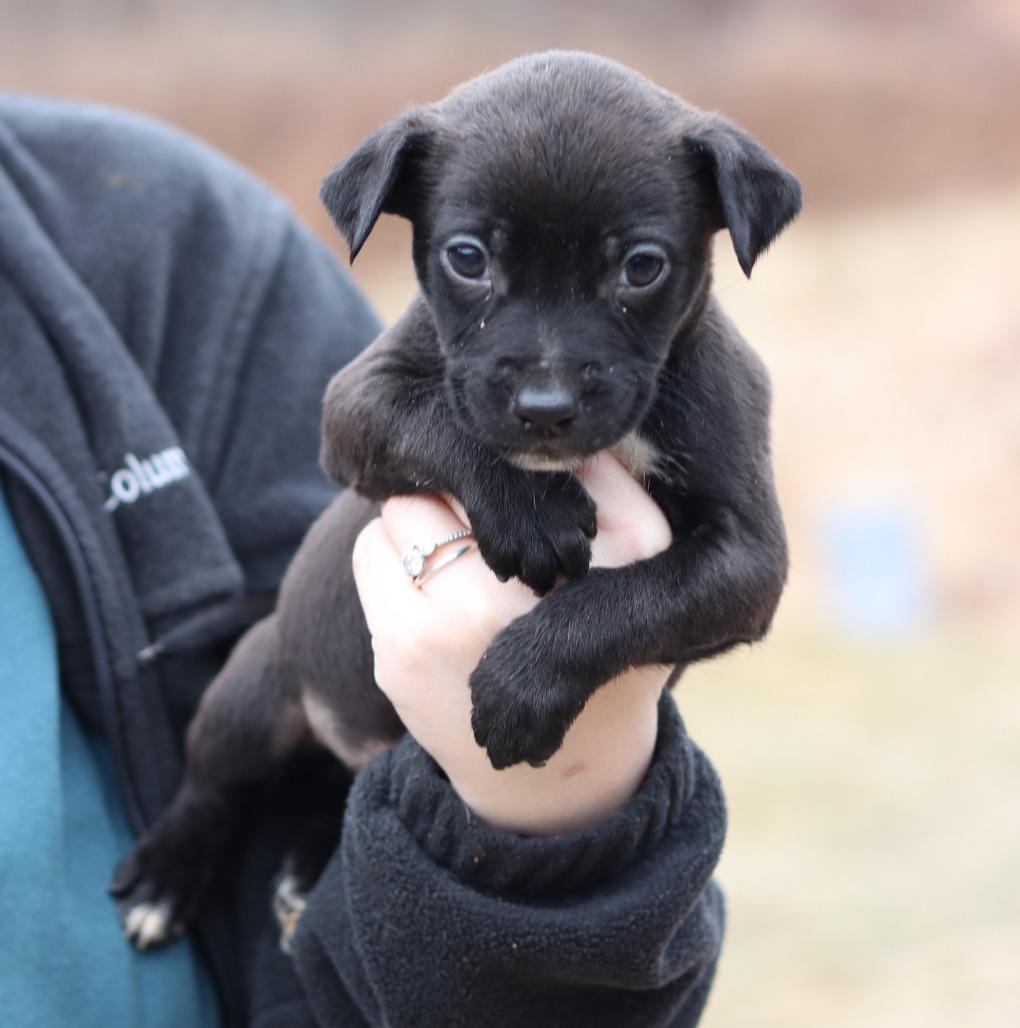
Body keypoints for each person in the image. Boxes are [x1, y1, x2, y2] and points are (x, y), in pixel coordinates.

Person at [0, 94, 727, 1027]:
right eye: (471, 263)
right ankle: (219, 838)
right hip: (306, 696)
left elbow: (747, 568)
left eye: (636, 268)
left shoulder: (177, 237)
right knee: (247, 710)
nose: (546, 376)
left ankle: (316, 839)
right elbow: (359, 422)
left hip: (430, 850)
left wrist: (564, 777)